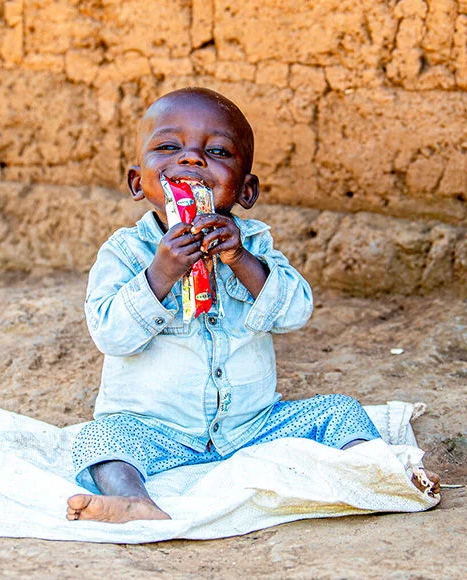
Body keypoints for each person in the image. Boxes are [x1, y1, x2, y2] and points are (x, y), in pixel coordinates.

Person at [66, 87, 438, 523]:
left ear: (246, 189)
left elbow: (296, 311)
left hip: (252, 428)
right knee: (98, 439)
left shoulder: (254, 243)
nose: (191, 159)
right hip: (156, 432)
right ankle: (132, 501)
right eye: (168, 147)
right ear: (137, 182)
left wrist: (241, 260)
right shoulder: (126, 253)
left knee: (340, 411)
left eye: (217, 151)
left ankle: (378, 473)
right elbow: (110, 334)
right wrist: (161, 273)